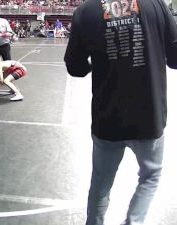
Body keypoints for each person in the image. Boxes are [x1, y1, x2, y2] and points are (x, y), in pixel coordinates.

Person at [64, 0, 177, 225]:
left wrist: (97, 64)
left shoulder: (86, 11)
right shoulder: (156, 4)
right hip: (149, 116)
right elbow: (174, 59)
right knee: (151, 176)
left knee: (101, 183)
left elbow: (74, 67)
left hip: (108, 118)